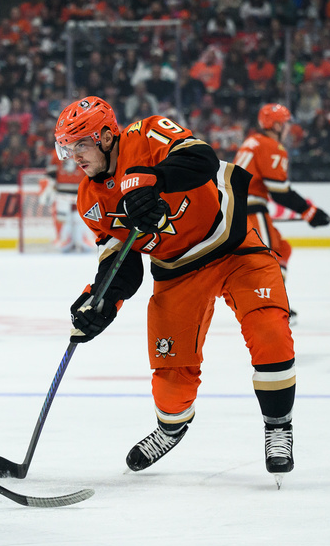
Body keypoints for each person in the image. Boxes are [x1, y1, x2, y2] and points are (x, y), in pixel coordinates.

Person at [54, 96, 297, 478]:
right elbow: (122, 265)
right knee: (170, 373)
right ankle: (170, 428)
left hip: (232, 245)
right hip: (177, 270)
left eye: (79, 145)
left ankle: (279, 426)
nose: (73, 157)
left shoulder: (146, 134)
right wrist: (98, 302)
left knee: (270, 330)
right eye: (67, 148)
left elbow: (202, 158)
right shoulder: (90, 201)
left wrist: (152, 180)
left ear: (104, 136)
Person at [233, 103, 330, 323]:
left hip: (240, 207)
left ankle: (271, 301)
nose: (288, 129)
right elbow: (280, 192)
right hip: (249, 209)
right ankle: (269, 306)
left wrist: (309, 213)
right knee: (268, 257)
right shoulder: (270, 146)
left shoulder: (252, 141)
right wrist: (310, 212)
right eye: (285, 124)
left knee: (281, 248)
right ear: (275, 125)